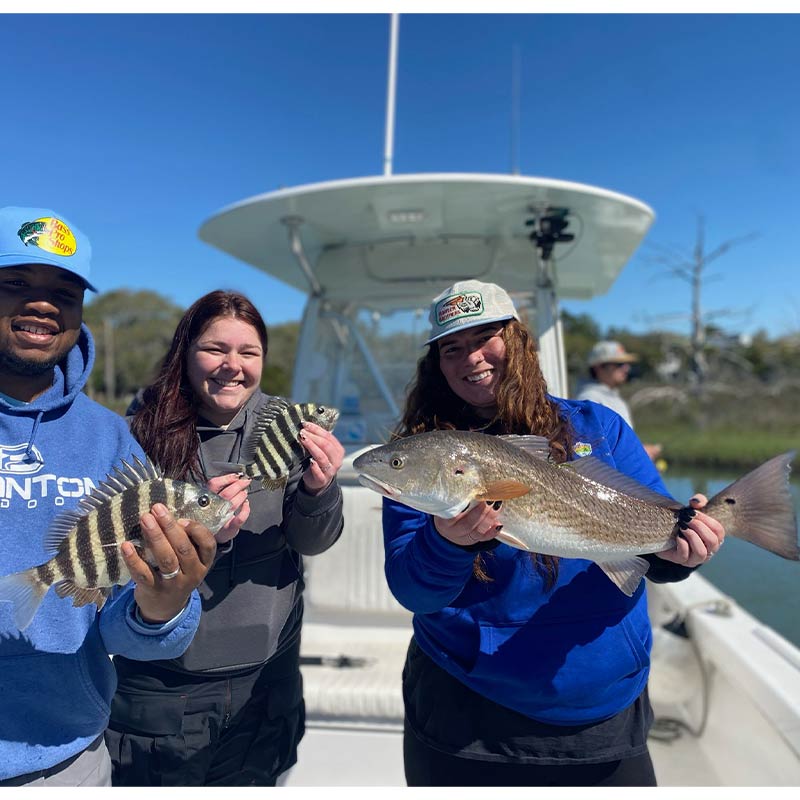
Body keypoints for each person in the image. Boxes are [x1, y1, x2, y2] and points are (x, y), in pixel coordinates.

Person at [382, 279, 725, 787]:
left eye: (484, 337)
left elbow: (657, 540)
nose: (471, 357)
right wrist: (446, 543)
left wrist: (683, 551)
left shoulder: (600, 426)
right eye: (450, 348)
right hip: (466, 711)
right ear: (437, 363)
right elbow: (413, 590)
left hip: (603, 706)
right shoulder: (423, 453)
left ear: (517, 340)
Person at [0, 206, 219, 786]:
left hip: (66, 757)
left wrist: (163, 605)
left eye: (64, 293)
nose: (42, 304)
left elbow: (123, 629)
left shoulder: (110, 439)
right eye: (15, 283)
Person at [104, 289, 345, 786]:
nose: (232, 366)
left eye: (248, 352)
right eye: (215, 349)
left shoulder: (290, 427)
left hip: (267, 680)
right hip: (163, 687)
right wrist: (203, 536)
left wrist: (320, 489)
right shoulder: (138, 431)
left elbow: (313, 541)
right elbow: (119, 553)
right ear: (185, 352)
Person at [575, 340, 662, 460]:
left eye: (626, 364)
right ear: (599, 368)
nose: (626, 368)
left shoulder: (615, 398)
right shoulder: (589, 399)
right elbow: (583, 449)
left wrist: (638, 453)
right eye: (619, 364)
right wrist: (637, 453)